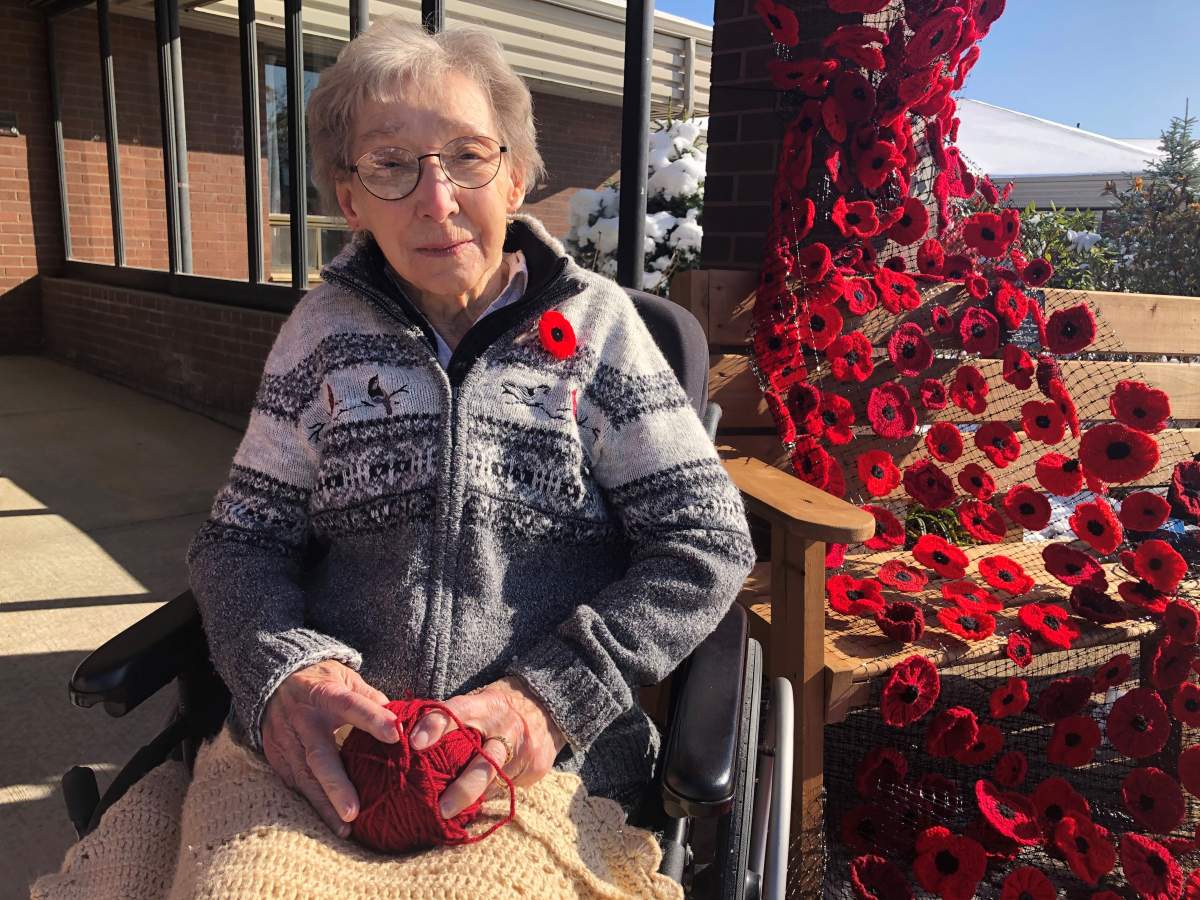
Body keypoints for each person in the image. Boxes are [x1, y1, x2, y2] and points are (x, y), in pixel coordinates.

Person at [34, 17, 755, 896]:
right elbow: (239, 543)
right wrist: (286, 674)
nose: (436, 197)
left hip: (535, 763)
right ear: (352, 201)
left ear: (516, 174)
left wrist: (547, 699)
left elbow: (706, 543)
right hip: (324, 754)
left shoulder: (598, 335)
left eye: (466, 156)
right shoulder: (321, 339)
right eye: (391, 165)